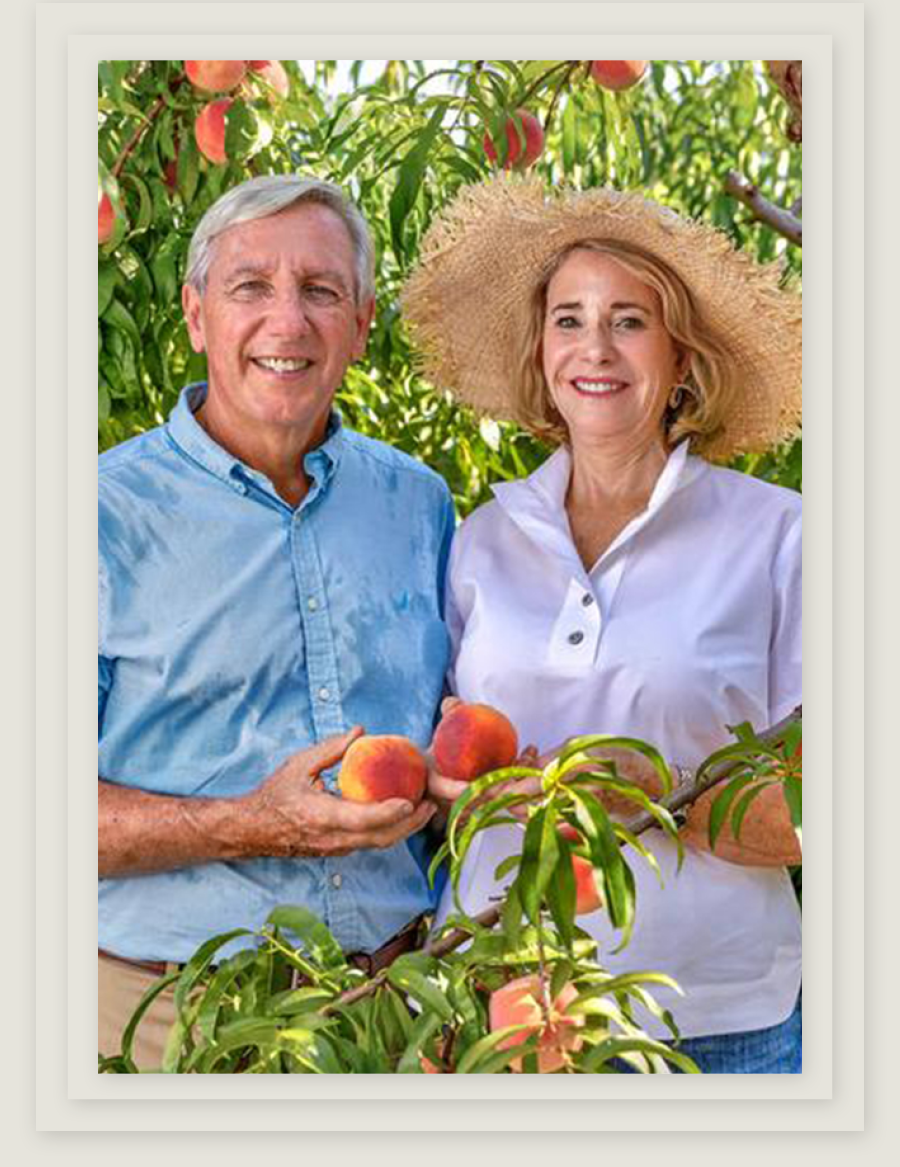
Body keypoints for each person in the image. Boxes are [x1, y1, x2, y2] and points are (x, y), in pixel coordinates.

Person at [402, 176, 803, 1074]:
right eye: (570, 319)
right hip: (505, 1000)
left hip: (716, 1018)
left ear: (682, 357)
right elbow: (452, 764)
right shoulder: (485, 537)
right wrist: (454, 789)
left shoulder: (777, 534)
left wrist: (656, 796)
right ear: (541, 349)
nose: (597, 348)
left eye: (629, 320)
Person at [98, 176, 456, 1069]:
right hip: (162, 1022)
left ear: (363, 323)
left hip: (388, 1014)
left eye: (321, 291)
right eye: (250, 286)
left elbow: (447, 741)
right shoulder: (96, 514)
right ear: (194, 315)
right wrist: (251, 822)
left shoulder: (418, 505)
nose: (287, 321)